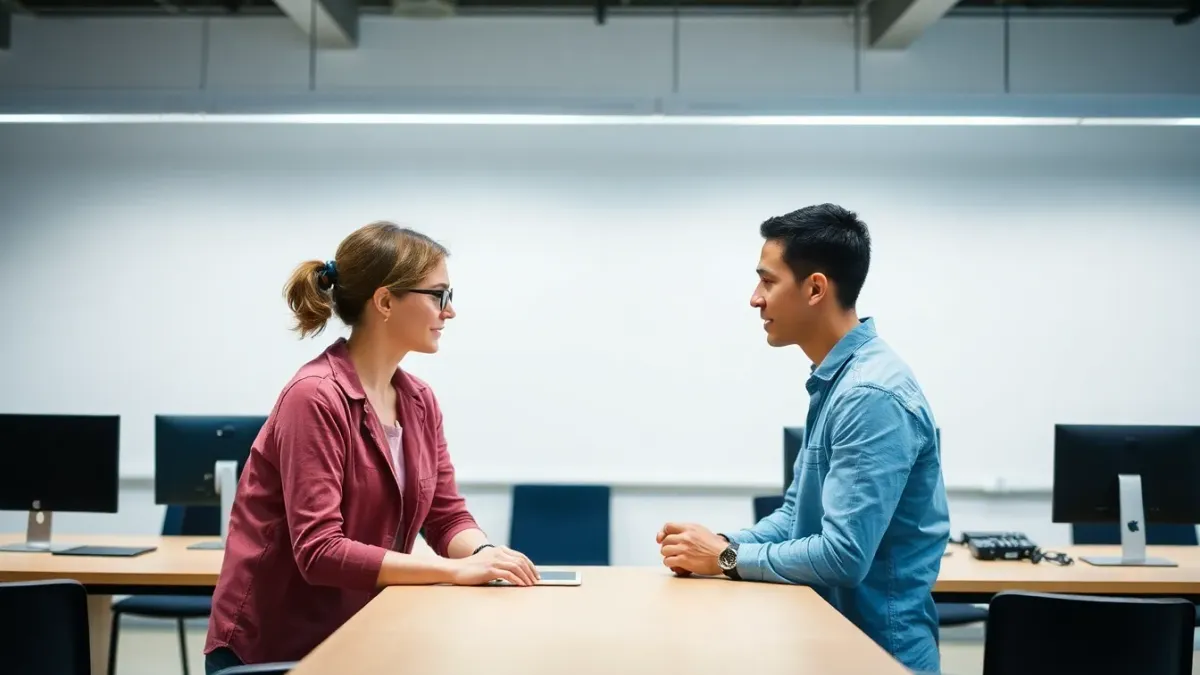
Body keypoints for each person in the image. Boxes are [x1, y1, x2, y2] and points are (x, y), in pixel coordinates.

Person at [203, 221, 539, 674]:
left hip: (359, 636)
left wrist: (484, 556)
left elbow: (446, 515)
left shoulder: (418, 400)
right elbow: (319, 551)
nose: (450, 312)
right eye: (438, 295)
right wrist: (454, 571)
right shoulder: (314, 396)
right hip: (277, 651)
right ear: (384, 301)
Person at [655, 204, 950, 674]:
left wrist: (727, 558)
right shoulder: (836, 380)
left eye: (768, 281)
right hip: (835, 644)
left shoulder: (870, 395)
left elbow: (843, 556)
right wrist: (720, 544)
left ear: (815, 288)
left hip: (879, 656)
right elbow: (797, 516)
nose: (756, 299)